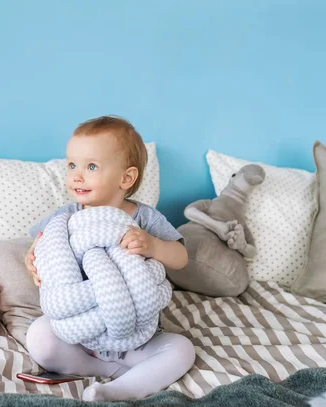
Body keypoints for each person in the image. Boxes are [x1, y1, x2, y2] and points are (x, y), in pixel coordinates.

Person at [24, 116, 195, 401]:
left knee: (182, 350)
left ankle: (119, 390)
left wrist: (153, 246)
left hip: (137, 334)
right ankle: (108, 370)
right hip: (79, 336)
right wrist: (31, 260)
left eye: (91, 166)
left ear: (126, 178)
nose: (77, 175)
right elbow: (39, 249)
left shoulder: (143, 218)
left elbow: (181, 258)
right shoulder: (63, 219)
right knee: (39, 336)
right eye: (72, 165)